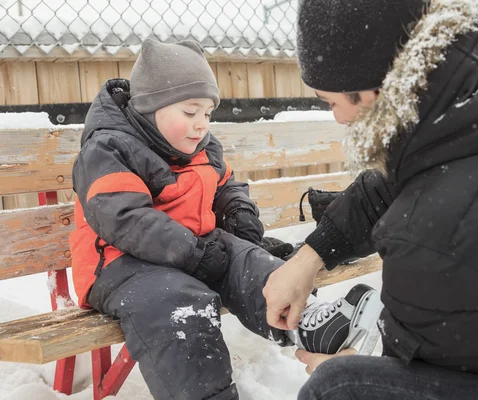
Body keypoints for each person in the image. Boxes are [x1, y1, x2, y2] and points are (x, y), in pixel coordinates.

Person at [262, 0, 478, 399]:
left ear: (372, 90)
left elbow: (426, 368)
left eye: (331, 102)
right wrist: (310, 256)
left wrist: (353, 362)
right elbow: (401, 176)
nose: (336, 118)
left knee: (339, 388)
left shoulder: (438, 229)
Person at [69, 38, 379, 400]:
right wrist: (194, 252)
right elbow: (124, 219)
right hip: (122, 265)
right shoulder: (109, 148)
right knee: (178, 303)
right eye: (190, 112)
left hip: (192, 250)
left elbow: (226, 186)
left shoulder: (202, 146)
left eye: (207, 114)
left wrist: (240, 218)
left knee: (250, 262)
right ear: (150, 106)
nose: (201, 124)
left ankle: (311, 323)